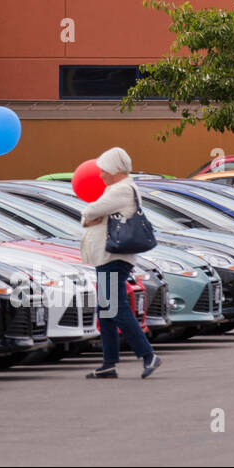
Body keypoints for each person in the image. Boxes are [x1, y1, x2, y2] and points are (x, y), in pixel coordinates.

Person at [79, 146, 162, 379]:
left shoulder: (121, 189)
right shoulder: (122, 188)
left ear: (115, 170)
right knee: (106, 310)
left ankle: (148, 355)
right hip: (110, 258)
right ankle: (109, 363)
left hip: (113, 257)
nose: (100, 174)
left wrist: (90, 216)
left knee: (114, 308)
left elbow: (90, 210)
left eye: (104, 170)